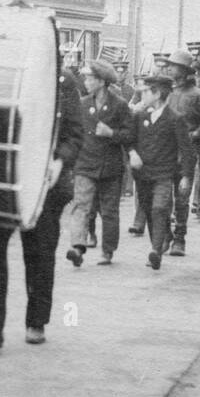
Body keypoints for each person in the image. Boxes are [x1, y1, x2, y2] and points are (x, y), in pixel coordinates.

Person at [0, 62, 83, 347]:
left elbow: (74, 133)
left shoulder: (61, 79)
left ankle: (36, 321)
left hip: (44, 178)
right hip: (4, 175)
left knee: (40, 252)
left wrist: (59, 160)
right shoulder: (2, 72)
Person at [64, 59, 134, 267]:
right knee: (81, 206)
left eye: (90, 78)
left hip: (110, 166)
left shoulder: (119, 105)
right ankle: (77, 247)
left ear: (102, 81)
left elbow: (130, 134)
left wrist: (112, 133)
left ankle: (107, 250)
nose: (85, 81)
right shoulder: (83, 104)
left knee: (109, 211)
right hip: (85, 163)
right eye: (85, 77)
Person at [128, 74, 194, 270]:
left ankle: (155, 252)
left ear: (157, 94)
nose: (142, 95)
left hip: (164, 175)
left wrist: (186, 176)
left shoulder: (175, 119)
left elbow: (187, 150)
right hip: (143, 176)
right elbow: (129, 140)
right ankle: (161, 240)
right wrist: (132, 153)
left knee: (159, 209)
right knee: (149, 210)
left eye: (146, 91)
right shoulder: (139, 116)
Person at [161, 49, 200, 254]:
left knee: (182, 197)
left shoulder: (197, 95)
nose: (169, 68)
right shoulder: (165, 92)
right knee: (163, 197)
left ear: (183, 71)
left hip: (187, 154)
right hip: (165, 152)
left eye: (173, 66)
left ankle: (179, 240)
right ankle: (165, 234)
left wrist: (195, 133)